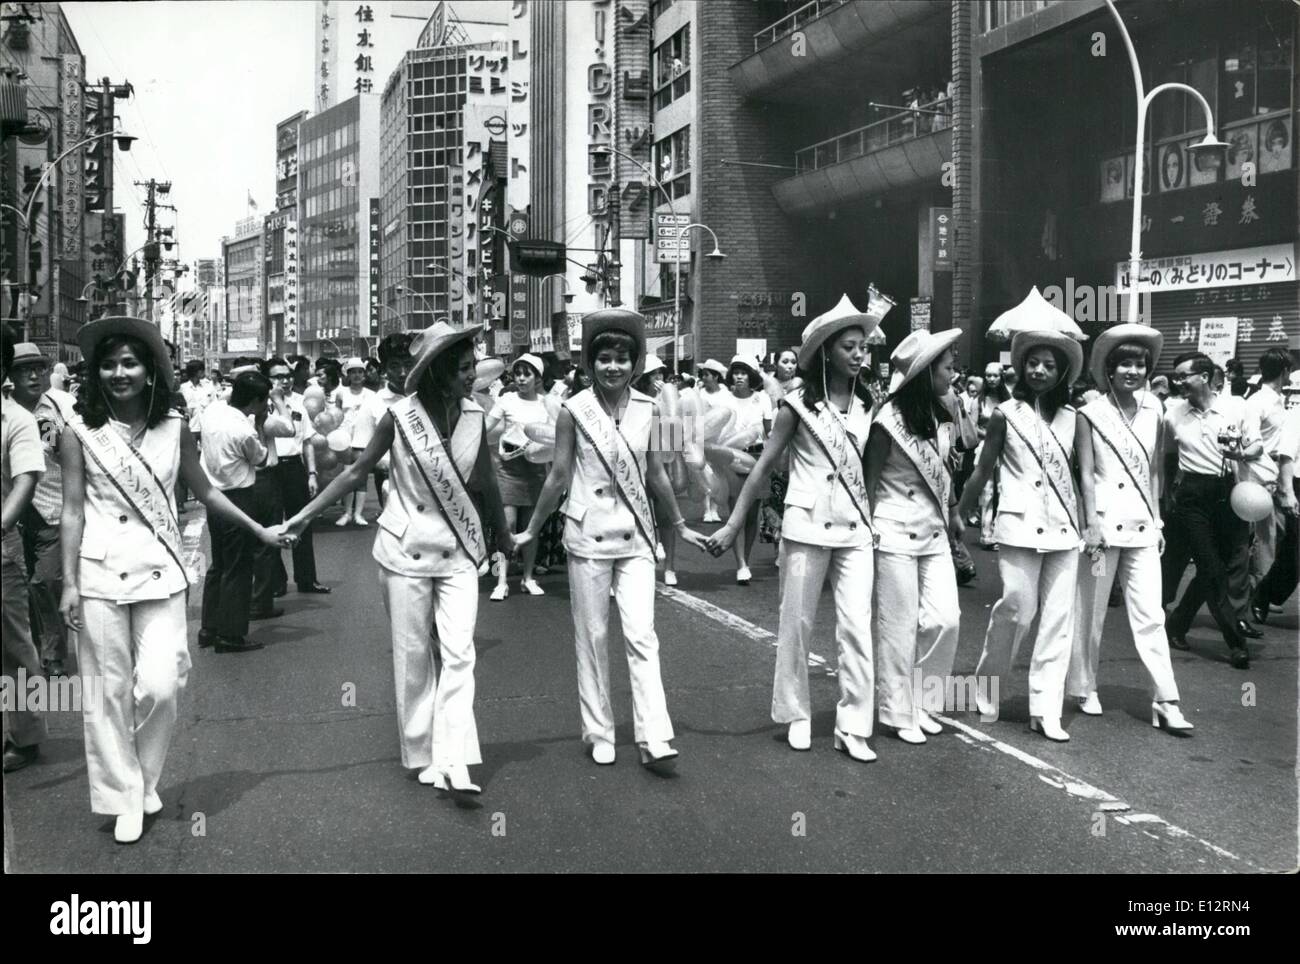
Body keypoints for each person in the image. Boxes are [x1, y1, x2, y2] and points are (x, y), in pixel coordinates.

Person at [58, 317, 286, 842]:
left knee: (162, 683)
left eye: (131, 363)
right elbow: (73, 511)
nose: (120, 373)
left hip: (160, 572)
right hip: (98, 574)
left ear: (150, 372)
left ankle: (142, 777)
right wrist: (68, 581)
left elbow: (204, 492)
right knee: (108, 692)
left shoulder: (174, 428)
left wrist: (259, 529)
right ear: (97, 373)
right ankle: (126, 796)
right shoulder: (80, 432)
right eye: (110, 364)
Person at [282, 322, 512, 796]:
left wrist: (504, 539)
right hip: (405, 550)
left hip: (457, 553)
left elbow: (486, 482)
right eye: (464, 369)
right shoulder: (399, 416)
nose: (473, 377)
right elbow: (357, 473)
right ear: (440, 372)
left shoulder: (475, 417)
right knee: (413, 658)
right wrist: (303, 517)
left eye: (474, 368)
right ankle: (422, 753)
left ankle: (454, 758)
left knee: (459, 653)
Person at [517, 309, 707, 769]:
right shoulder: (571, 410)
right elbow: (558, 476)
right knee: (593, 634)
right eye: (604, 359)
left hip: (638, 537)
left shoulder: (657, 408)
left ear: (636, 363)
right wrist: (532, 527)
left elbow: (661, 474)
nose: (613, 367)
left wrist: (680, 525)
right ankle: (599, 730)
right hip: (587, 533)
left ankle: (654, 735)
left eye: (623, 359)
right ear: (589, 363)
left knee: (643, 634)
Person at [708, 295, 881, 762]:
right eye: (849, 346)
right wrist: (732, 524)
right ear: (827, 351)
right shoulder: (796, 406)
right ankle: (796, 714)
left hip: (855, 530)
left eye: (863, 346)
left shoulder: (869, 404)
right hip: (805, 526)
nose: (858, 354)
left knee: (857, 628)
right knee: (797, 625)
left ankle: (853, 724)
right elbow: (762, 470)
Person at [957, 329, 1085, 742]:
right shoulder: (1005, 414)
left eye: (1049, 365)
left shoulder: (1074, 418)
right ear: (1021, 368)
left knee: (1058, 619)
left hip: (1065, 528)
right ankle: (987, 685)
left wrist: (1092, 523)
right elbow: (982, 469)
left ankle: (1045, 708)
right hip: (1018, 524)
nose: (1040, 371)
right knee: (1017, 608)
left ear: (1062, 371)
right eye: (1033, 363)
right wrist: (961, 511)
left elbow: (1084, 476)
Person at [1069, 325, 1191, 734]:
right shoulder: (1090, 414)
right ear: (1109, 368)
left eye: (1140, 364)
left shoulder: (1155, 409)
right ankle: (1085, 686)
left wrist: (1157, 521)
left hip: (1141, 528)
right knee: (1092, 612)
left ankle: (1167, 699)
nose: (1133, 370)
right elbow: (1086, 474)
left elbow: (1154, 470)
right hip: (1102, 529)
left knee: (1151, 614)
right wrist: (1089, 523)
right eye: (1125, 363)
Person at [865, 328, 964, 744]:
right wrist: (864, 536)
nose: (953, 374)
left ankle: (925, 702)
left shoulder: (942, 414)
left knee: (946, 618)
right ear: (926, 374)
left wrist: (955, 510)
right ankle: (897, 710)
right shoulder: (886, 422)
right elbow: (867, 483)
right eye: (947, 368)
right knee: (898, 626)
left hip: (934, 531)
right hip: (892, 530)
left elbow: (944, 474)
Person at [1161, 352, 1263, 668]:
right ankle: (1236, 643)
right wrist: (1167, 496)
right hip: (1191, 496)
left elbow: (1257, 446)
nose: (1177, 382)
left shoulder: (1237, 407)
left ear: (1204, 376)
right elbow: (1168, 457)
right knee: (1212, 567)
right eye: (1175, 376)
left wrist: (1241, 453)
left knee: (1216, 566)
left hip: (1229, 491)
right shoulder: (1173, 415)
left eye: (1183, 376)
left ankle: (1177, 624)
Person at [198, 370, 294, 652]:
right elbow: (265, 460)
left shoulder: (214, 411)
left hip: (215, 497)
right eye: (263, 401)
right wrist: (264, 427)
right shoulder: (244, 431)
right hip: (239, 497)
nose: (265, 406)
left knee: (219, 566)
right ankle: (230, 634)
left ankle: (210, 627)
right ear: (254, 401)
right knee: (239, 567)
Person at [8, 343, 71, 678]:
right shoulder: (5, 412)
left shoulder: (55, 413)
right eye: (23, 369)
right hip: (12, 517)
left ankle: (54, 653)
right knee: (20, 586)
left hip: (50, 510)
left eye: (39, 368)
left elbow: (62, 458)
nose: (33, 375)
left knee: (46, 582)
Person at [2, 328, 47, 774]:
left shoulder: (17, 419)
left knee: (14, 649)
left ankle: (27, 736)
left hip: (2, 551)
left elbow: (25, 481)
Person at [261, 356, 330, 597]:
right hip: (268, 469)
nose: (285, 380)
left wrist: (312, 473)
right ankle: (276, 582)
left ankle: (307, 579)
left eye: (288, 375)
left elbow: (308, 441)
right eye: (278, 377)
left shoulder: (301, 402)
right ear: (267, 379)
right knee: (271, 525)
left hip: (293, 467)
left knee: (301, 523)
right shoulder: (260, 402)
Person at [487, 353, 553, 600]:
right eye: (518, 373)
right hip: (508, 468)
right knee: (508, 525)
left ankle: (527, 577)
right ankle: (501, 580)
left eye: (528, 374)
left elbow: (555, 436)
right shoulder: (506, 400)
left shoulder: (547, 403)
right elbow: (486, 426)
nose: (522, 378)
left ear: (537, 377)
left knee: (530, 527)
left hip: (535, 469)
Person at [1245, 348, 1291, 613]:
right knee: (1265, 534)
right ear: (1284, 371)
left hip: (1276, 473)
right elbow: (1253, 442)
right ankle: (1259, 589)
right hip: (1261, 473)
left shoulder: (1278, 400)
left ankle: (1259, 586)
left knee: (1278, 532)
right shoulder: (1258, 402)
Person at [723, 355, 773, 583]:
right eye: (736, 372)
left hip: (757, 456)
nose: (739, 376)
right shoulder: (725, 399)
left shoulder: (762, 399)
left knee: (753, 513)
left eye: (743, 372)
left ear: (751, 375)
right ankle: (740, 564)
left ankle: (747, 558)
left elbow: (769, 430)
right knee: (736, 511)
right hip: (732, 457)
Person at [633, 355, 680, 585]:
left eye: (661, 374)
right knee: (641, 515)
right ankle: (646, 559)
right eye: (654, 375)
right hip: (638, 463)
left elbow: (676, 431)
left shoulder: (669, 398)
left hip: (663, 461)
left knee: (666, 516)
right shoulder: (633, 400)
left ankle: (670, 567)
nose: (659, 379)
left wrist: (664, 400)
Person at [1253, 405, 1300, 612]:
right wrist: (1288, 492)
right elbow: (1286, 456)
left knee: (1293, 549)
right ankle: (1265, 594)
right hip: (1298, 484)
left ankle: (1266, 593)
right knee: (1295, 551)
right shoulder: (1297, 415)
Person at [370, 332, 412, 508]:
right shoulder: (374, 402)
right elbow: (360, 450)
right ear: (384, 369)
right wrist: (380, 463)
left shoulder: (429, 397)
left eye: (408, 365)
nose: (403, 373)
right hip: (389, 477)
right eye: (395, 366)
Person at [335, 357, 378, 526]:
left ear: (364, 374)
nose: (357, 375)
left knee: (361, 477)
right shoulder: (341, 393)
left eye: (360, 372)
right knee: (346, 475)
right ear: (348, 375)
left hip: (363, 439)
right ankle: (346, 513)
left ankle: (358, 514)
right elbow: (336, 416)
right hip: (344, 440)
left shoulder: (371, 395)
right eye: (353, 372)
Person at [696, 358, 731, 523]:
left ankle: (715, 509)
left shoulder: (726, 394)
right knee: (703, 473)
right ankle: (706, 509)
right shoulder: (699, 393)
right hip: (701, 438)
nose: (704, 378)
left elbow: (729, 416)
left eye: (707, 375)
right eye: (702, 375)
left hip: (719, 439)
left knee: (718, 473)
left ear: (716, 377)